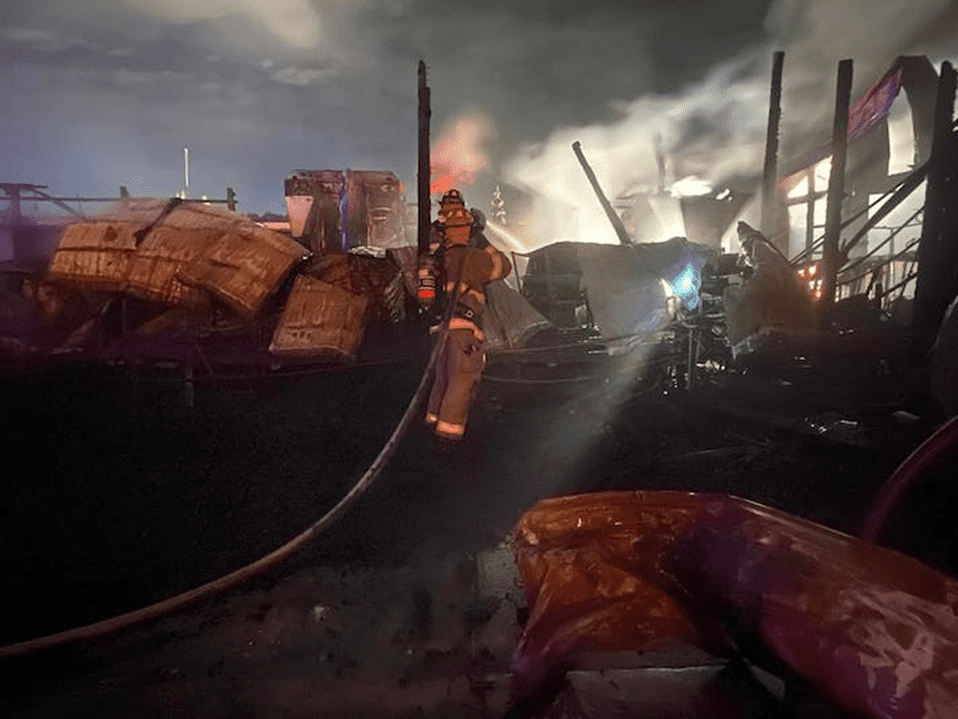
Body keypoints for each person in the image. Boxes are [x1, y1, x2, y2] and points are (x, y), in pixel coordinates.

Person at [422, 189, 511, 441]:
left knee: (443, 379)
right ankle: (448, 440)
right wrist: (482, 240)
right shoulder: (474, 257)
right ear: (467, 230)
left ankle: (429, 428)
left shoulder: (432, 257)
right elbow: (503, 267)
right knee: (462, 380)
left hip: (437, 327)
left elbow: (425, 296)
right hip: (464, 327)